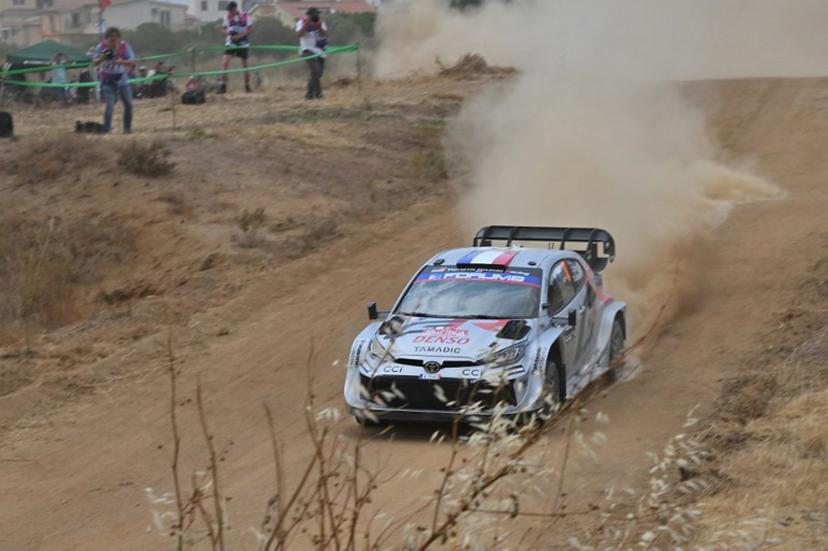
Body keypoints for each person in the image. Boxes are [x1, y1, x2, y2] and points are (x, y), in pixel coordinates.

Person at [93, 27, 136, 134]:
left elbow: (132, 61)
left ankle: (127, 129)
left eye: (115, 36)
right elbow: (95, 62)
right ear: (106, 38)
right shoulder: (101, 47)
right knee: (110, 106)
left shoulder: (124, 46)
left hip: (122, 82)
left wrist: (122, 61)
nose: (113, 39)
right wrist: (102, 57)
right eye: (110, 37)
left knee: (129, 105)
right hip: (107, 82)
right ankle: (106, 130)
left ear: (119, 37)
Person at [220, 1, 253, 94]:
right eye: (228, 10)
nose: (229, 12)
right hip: (231, 43)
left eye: (230, 10)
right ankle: (223, 86)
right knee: (225, 63)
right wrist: (228, 34)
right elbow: (223, 29)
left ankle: (247, 86)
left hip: (243, 43)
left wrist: (241, 35)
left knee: (245, 66)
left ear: (235, 9)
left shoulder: (245, 15)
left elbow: (250, 29)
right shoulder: (226, 16)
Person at [295, 7, 328, 100]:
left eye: (317, 14)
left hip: (319, 50)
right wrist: (307, 23)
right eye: (313, 15)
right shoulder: (301, 22)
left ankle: (312, 94)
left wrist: (319, 26)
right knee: (315, 71)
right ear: (308, 15)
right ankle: (316, 93)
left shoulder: (320, 22)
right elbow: (299, 34)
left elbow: (325, 34)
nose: (316, 16)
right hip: (307, 49)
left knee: (318, 74)